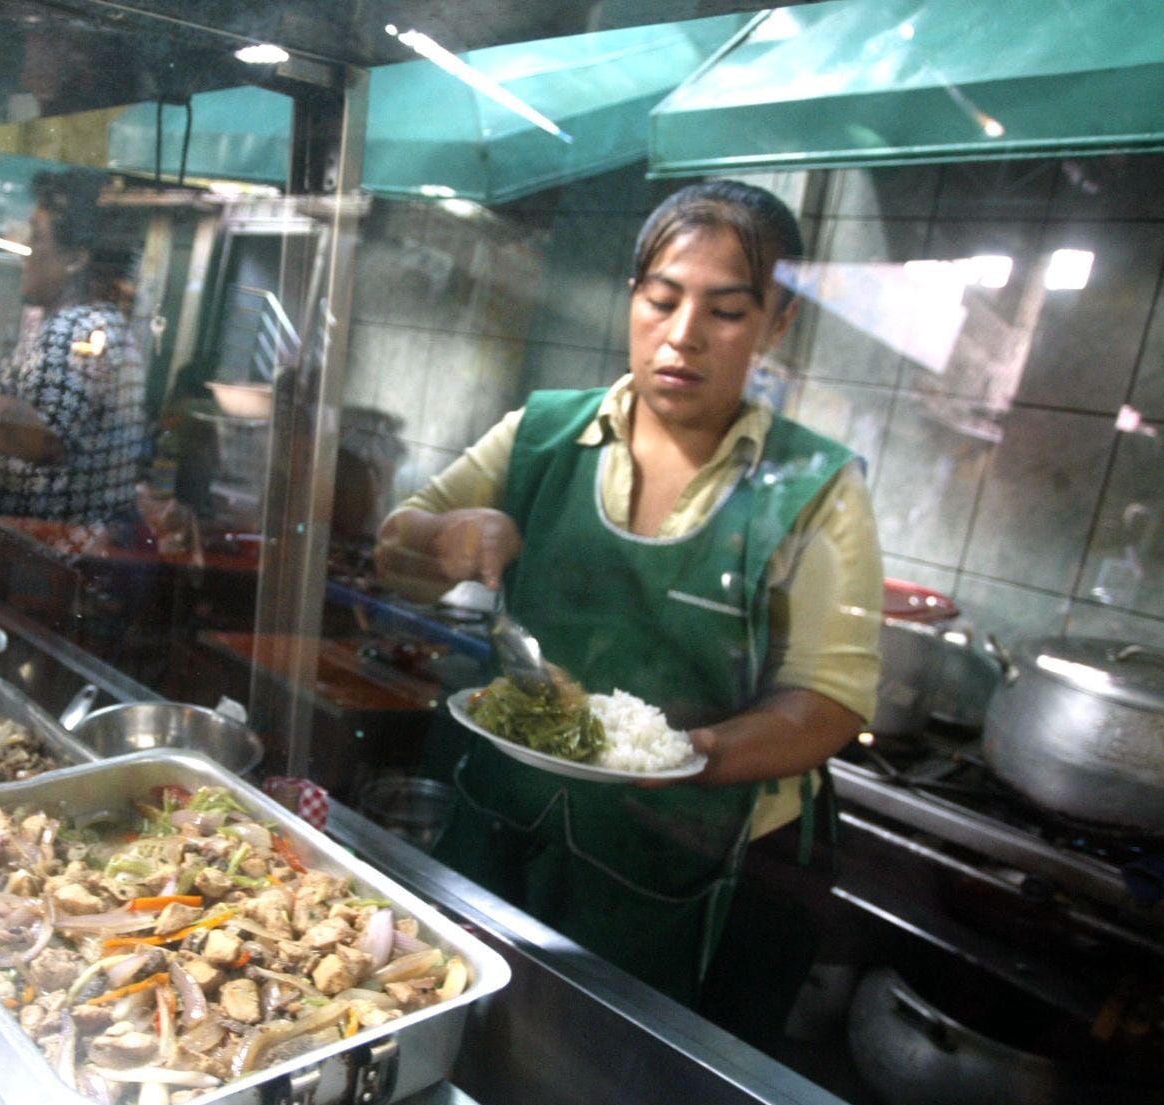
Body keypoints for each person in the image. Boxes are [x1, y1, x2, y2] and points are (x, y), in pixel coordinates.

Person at [375, 180, 882, 1007]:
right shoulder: (540, 434)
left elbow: (830, 701)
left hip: (687, 861)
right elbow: (399, 545)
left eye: (726, 311)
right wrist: (447, 536)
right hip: (506, 827)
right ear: (633, 299)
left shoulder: (813, 488)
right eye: (662, 298)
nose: (683, 336)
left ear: (777, 323)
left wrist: (688, 756)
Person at [0, 170, 148, 523]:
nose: (25, 252)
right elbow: (51, 397)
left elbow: (41, 437)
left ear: (75, 259)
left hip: (51, 549)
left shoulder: (77, 327)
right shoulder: (99, 323)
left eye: (36, 237)